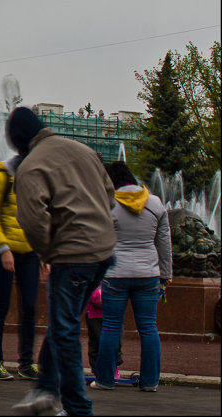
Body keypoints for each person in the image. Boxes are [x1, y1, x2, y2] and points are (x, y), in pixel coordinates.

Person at [9, 107, 116, 417]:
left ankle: (77, 408)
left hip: (72, 255)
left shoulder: (31, 166)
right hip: (104, 252)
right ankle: (44, 389)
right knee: (62, 324)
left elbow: (31, 220)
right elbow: (109, 196)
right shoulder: (83, 150)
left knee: (65, 330)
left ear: (18, 141)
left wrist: (47, 252)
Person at [91, 161, 172, 393]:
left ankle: (105, 379)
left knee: (110, 326)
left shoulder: (108, 204)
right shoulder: (156, 203)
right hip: (148, 274)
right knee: (148, 327)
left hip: (115, 274)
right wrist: (165, 274)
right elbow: (164, 243)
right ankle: (150, 382)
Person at [0, 150, 41, 381]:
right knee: (1, 307)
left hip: (30, 252)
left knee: (29, 308)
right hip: (3, 251)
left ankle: (26, 363)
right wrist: (3, 248)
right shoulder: (2, 178)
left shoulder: (35, 181)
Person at [85, 283, 121, 380]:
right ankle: (97, 370)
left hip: (104, 314)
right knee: (95, 343)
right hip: (95, 315)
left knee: (108, 342)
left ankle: (113, 369)